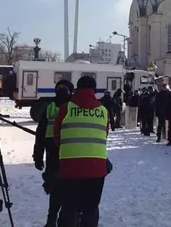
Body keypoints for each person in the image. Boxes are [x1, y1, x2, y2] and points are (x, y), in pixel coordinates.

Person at [54, 76, 109, 227]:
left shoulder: (66, 108)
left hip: (69, 167)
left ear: (77, 89)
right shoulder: (103, 111)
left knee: (69, 206)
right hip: (97, 168)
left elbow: (56, 136)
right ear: (94, 90)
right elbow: (104, 135)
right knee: (91, 208)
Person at [33, 79, 74, 227]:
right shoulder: (73, 107)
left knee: (56, 188)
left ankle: (52, 220)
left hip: (53, 152)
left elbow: (40, 133)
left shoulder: (49, 107)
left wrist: (37, 156)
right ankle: (63, 220)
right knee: (67, 188)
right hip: (68, 152)